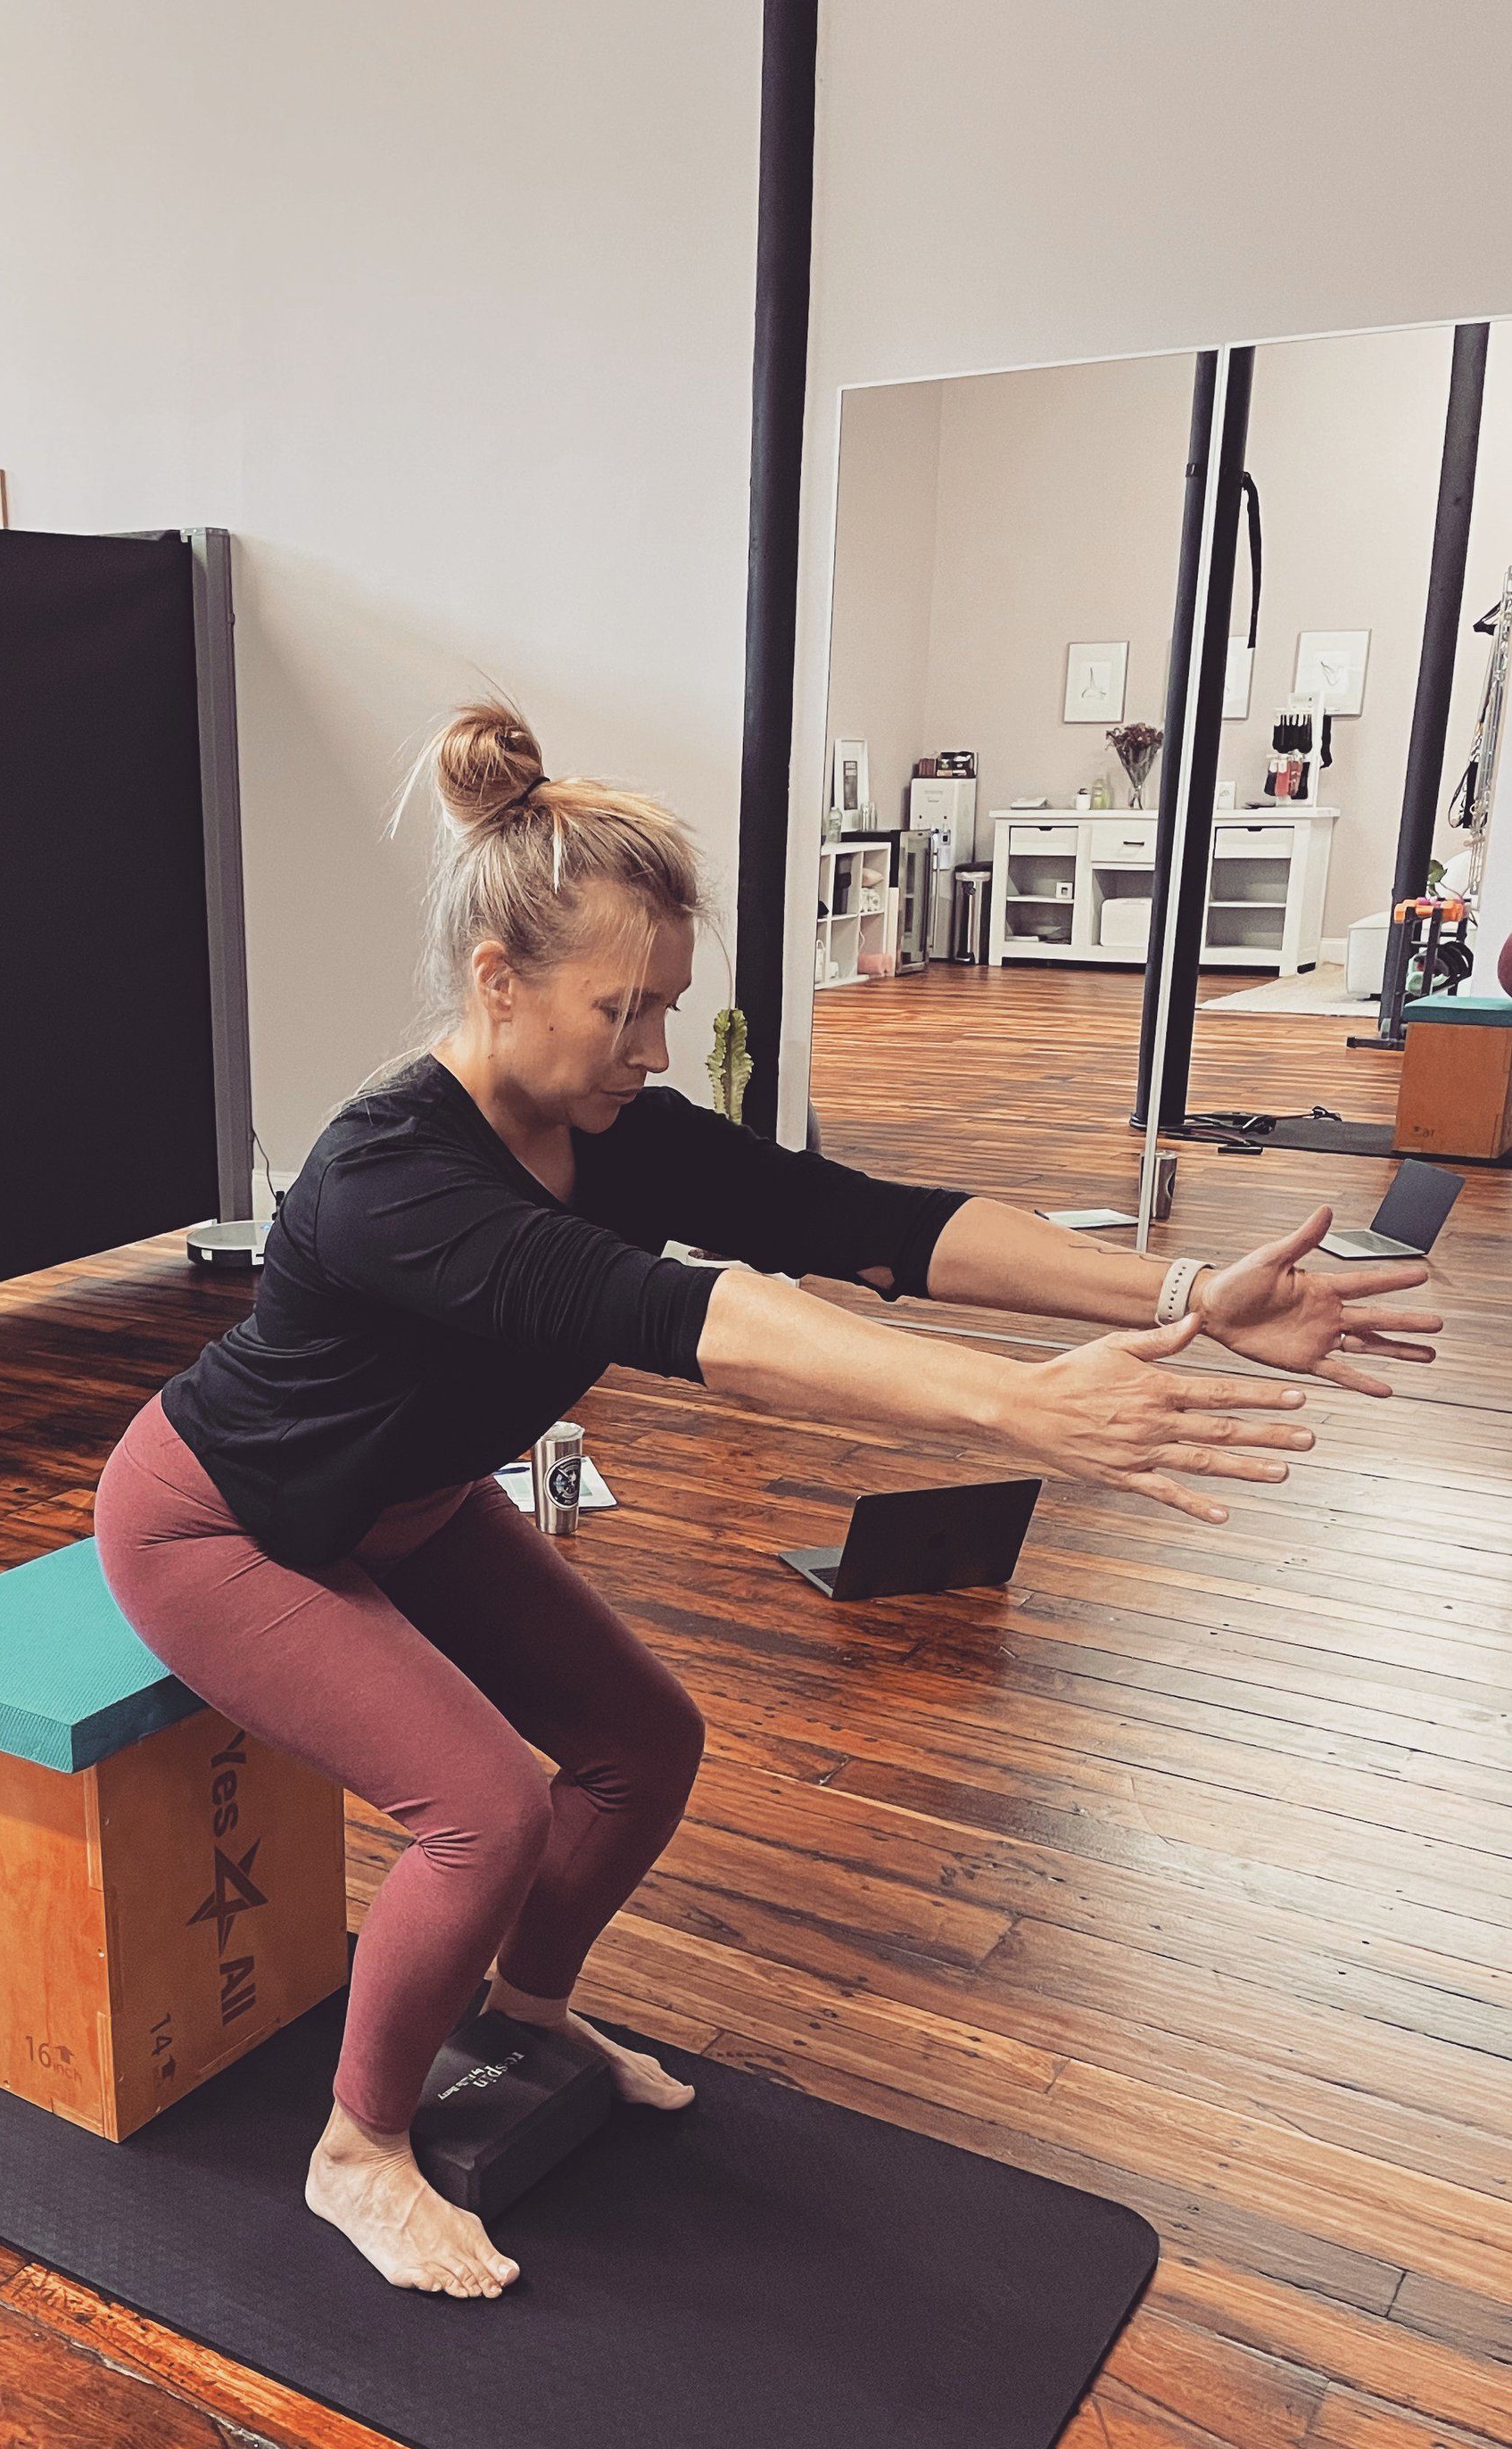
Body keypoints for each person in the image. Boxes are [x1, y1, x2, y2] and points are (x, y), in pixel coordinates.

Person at [93, 703, 1440, 2303]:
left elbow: (872, 1223)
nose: (655, 1050)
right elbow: (696, 1322)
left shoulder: (612, 1130)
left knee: (644, 1741)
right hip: (223, 1522)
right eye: (623, 1010)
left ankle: (521, 2014)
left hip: (414, 1501)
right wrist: (1015, 1402)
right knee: (484, 1809)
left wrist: (1191, 1286)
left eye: (667, 1007)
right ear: (498, 980)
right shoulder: (390, 1175)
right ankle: (359, 2148)